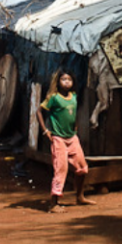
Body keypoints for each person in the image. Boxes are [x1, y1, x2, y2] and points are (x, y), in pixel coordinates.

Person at [38, 69, 94, 213]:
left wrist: (76, 125)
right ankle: (54, 204)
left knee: (82, 167)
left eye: (69, 79)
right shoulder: (54, 97)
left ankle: (80, 196)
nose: (67, 82)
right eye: (63, 79)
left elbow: (73, 113)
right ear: (58, 82)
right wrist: (45, 130)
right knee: (61, 169)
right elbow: (39, 111)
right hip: (58, 138)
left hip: (72, 137)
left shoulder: (73, 96)